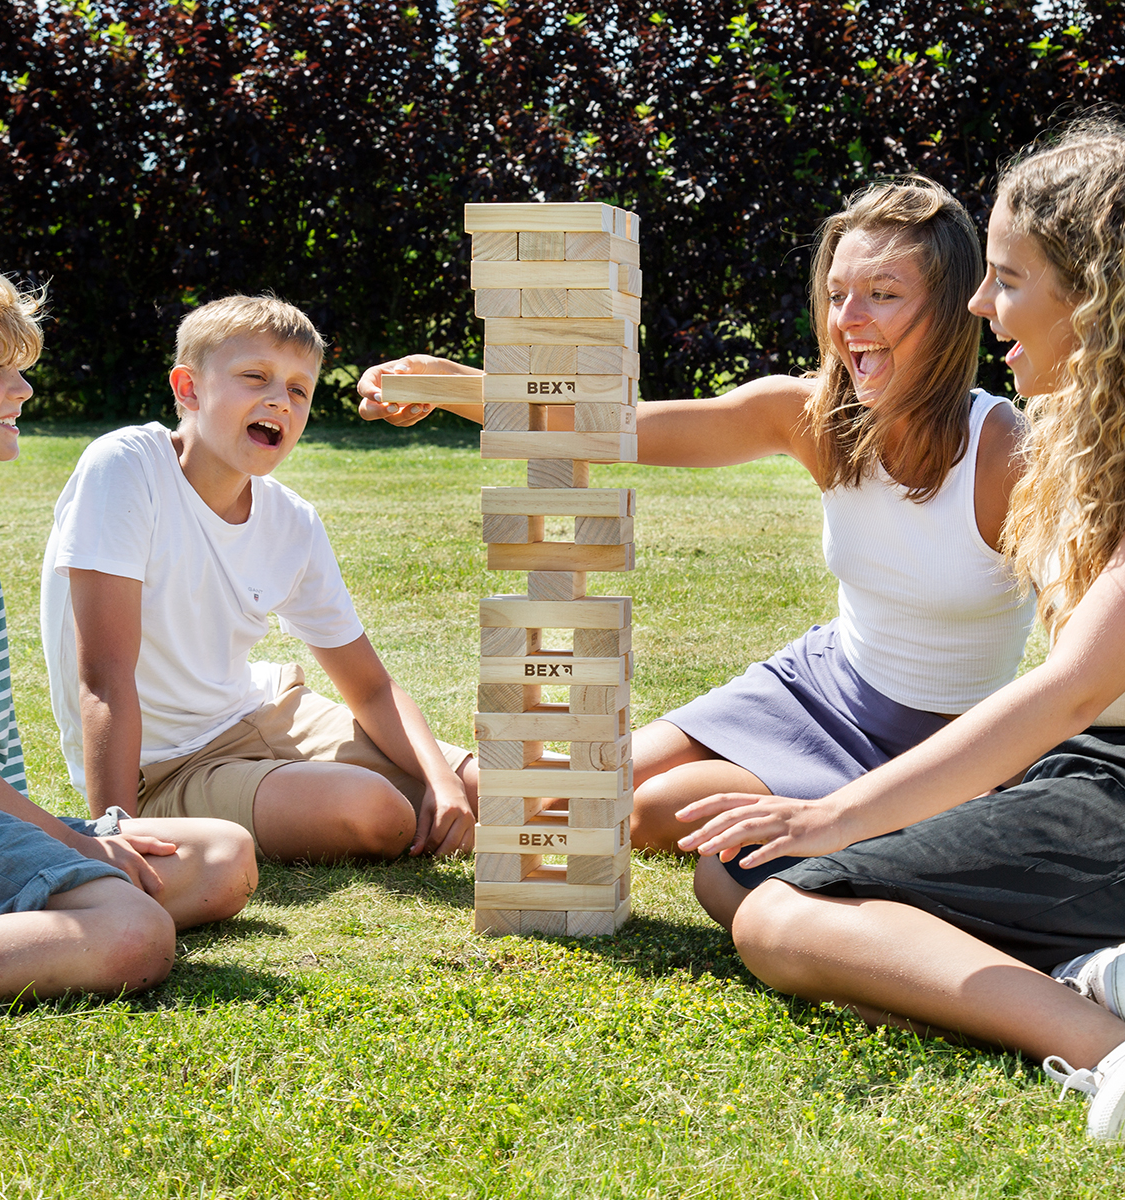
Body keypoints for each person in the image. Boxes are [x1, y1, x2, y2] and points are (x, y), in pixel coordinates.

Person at [357, 178, 1035, 883]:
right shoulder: (811, 417)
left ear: (957, 308)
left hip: (933, 746)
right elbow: (610, 427)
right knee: (564, 792)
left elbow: (1082, 658)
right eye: (837, 295)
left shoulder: (1005, 455)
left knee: (651, 813)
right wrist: (452, 385)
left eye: (883, 294)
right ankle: (379, 773)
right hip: (813, 686)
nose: (848, 320)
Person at [676, 119, 1125, 1140]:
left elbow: (1066, 692)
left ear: (1094, 296)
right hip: (1083, 778)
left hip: (1103, 783)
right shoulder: (1078, 443)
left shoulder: (1041, 449)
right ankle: (1081, 973)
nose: (978, 303)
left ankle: (1107, 1049)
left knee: (781, 911)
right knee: (732, 869)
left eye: (1007, 280)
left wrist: (831, 819)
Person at [0, 233, 255, 1013]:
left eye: (22, 368)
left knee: (220, 856)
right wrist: (72, 840)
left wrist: (81, 836)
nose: (23, 390)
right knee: (131, 933)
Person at [40, 295, 478, 864]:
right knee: (379, 812)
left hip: (266, 712)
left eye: (299, 389)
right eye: (255, 377)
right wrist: (115, 835)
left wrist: (442, 780)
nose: (280, 399)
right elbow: (104, 676)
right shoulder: (125, 466)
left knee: (487, 791)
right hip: (164, 767)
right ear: (188, 388)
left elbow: (370, 687)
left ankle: (620, 794)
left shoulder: (291, 519)